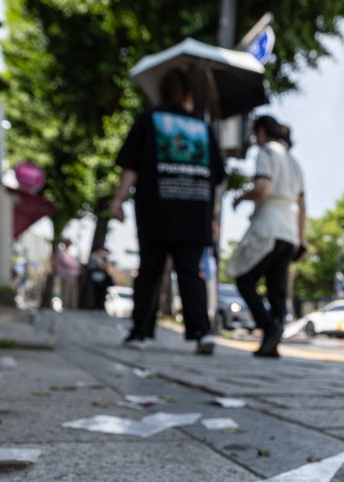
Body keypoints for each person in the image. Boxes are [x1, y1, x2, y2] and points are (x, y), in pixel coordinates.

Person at [109, 68, 224, 354]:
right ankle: (202, 332)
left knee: (150, 270)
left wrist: (118, 199)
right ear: (188, 94)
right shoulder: (202, 128)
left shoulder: (149, 119)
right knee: (189, 271)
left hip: (156, 208)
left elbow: (131, 167)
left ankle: (140, 332)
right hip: (195, 212)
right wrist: (212, 217)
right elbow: (216, 179)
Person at [228, 115, 306, 358]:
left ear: (261, 131)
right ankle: (271, 343)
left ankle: (268, 327)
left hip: (268, 226)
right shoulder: (294, 162)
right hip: (289, 231)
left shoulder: (266, 153)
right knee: (276, 289)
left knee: (244, 278)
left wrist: (241, 197)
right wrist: (301, 241)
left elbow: (262, 190)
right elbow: (303, 206)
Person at [52, 238, 81, 311]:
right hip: (66, 275)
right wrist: (76, 264)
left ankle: (72, 308)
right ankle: (66, 308)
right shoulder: (62, 252)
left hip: (73, 275)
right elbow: (69, 263)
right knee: (66, 292)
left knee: (72, 293)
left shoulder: (69, 252)